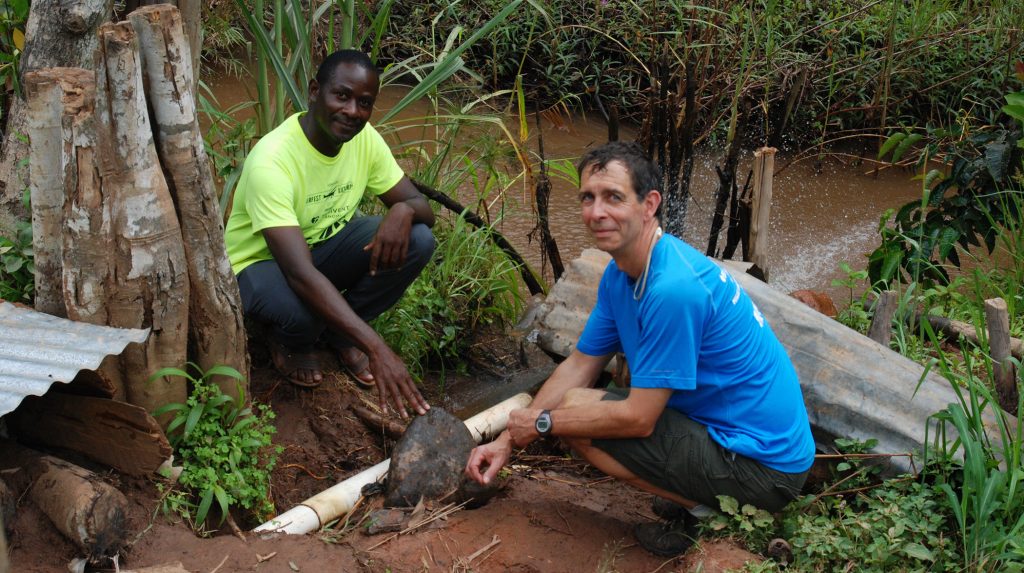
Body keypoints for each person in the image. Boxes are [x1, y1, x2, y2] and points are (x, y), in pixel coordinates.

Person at [465, 142, 815, 556]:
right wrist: (507, 440)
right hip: (737, 437)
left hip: (765, 468)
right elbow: (580, 363)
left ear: (649, 205)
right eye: (588, 198)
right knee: (574, 403)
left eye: (614, 197)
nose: (597, 213)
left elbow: (639, 420)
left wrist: (542, 425)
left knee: (573, 413)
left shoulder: (672, 290)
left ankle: (705, 514)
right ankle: (696, 493)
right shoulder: (621, 273)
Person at [224, 49, 432, 419]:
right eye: (342, 95)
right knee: (303, 313)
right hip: (260, 264)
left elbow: (421, 207)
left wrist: (401, 209)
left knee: (418, 240)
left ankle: (339, 335)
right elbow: (299, 274)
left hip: (321, 247)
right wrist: (377, 348)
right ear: (315, 91)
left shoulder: (364, 140)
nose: (352, 111)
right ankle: (289, 341)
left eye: (364, 103)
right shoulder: (273, 160)